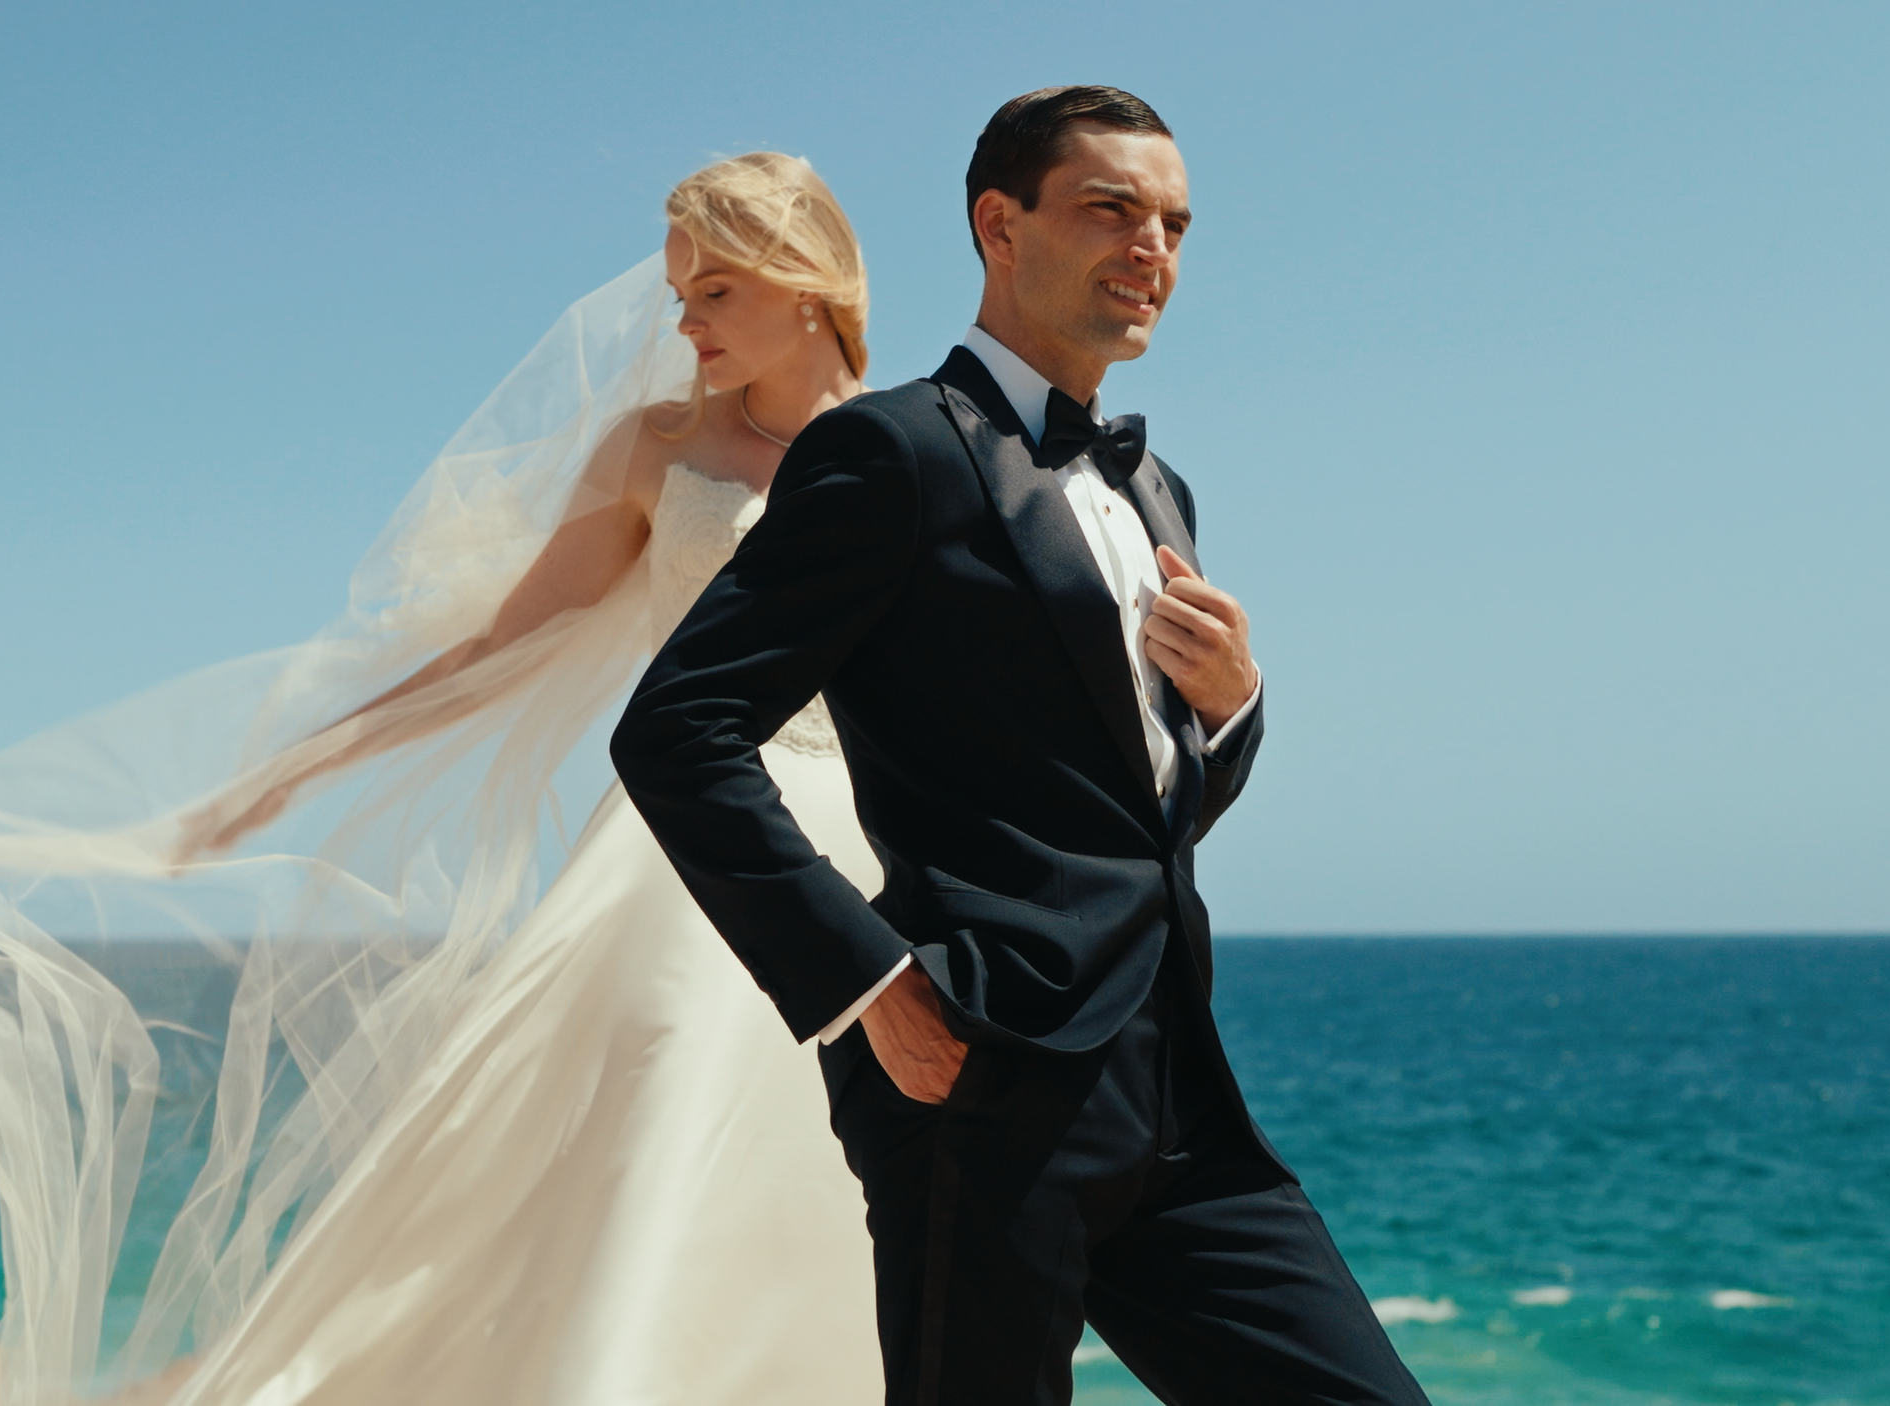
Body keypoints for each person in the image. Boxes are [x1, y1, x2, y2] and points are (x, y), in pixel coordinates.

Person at [0, 154, 888, 1406]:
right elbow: (504, 641)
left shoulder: (918, 445)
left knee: (836, 1170)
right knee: (654, 1118)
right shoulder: (657, 450)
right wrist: (308, 759)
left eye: (712, 289)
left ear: (806, 282)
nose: (684, 323)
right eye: (678, 292)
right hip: (675, 854)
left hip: (873, 848)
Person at [613, 88, 1432, 1405]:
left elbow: (1131, 804)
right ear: (1000, 226)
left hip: (1176, 1095)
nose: (1151, 245)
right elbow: (677, 731)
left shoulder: (1159, 490)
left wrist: (1229, 708)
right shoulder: (886, 455)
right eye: (1111, 208)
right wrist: (870, 985)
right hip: (980, 1082)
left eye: (1173, 222)